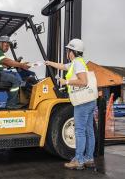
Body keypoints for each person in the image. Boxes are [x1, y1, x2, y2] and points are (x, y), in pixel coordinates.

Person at [45, 38, 96, 170]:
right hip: (90, 100)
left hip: (82, 102)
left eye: (68, 50)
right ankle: (89, 158)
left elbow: (83, 81)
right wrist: (49, 62)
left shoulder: (77, 64)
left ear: (73, 51)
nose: (67, 53)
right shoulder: (77, 62)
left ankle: (78, 160)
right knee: (89, 131)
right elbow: (63, 66)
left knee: (79, 131)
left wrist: (65, 82)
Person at [0, 36, 30, 109]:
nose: (7, 48)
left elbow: (5, 63)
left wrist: (18, 63)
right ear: (0, 43)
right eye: (6, 45)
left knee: (14, 74)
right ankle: (11, 104)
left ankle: (18, 98)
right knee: (15, 80)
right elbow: (6, 61)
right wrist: (21, 65)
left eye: (8, 46)